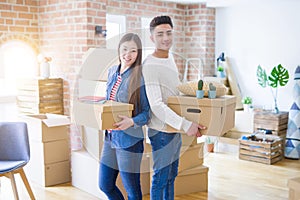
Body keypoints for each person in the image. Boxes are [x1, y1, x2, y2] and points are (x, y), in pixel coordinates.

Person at [142, 16, 206, 200]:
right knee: (161, 179)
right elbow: (156, 105)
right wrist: (186, 125)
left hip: (173, 128)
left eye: (169, 33)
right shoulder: (151, 65)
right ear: (152, 37)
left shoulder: (168, 58)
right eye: (160, 34)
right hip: (161, 131)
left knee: (171, 177)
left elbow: (172, 94)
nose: (165, 38)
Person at [98, 33, 150, 200]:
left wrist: (132, 121)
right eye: (125, 49)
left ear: (138, 53)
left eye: (133, 51)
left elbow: (148, 113)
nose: (128, 55)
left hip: (130, 141)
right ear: (119, 50)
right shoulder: (112, 71)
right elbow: (110, 101)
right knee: (105, 184)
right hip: (110, 137)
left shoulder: (140, 76)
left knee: (132, 190)